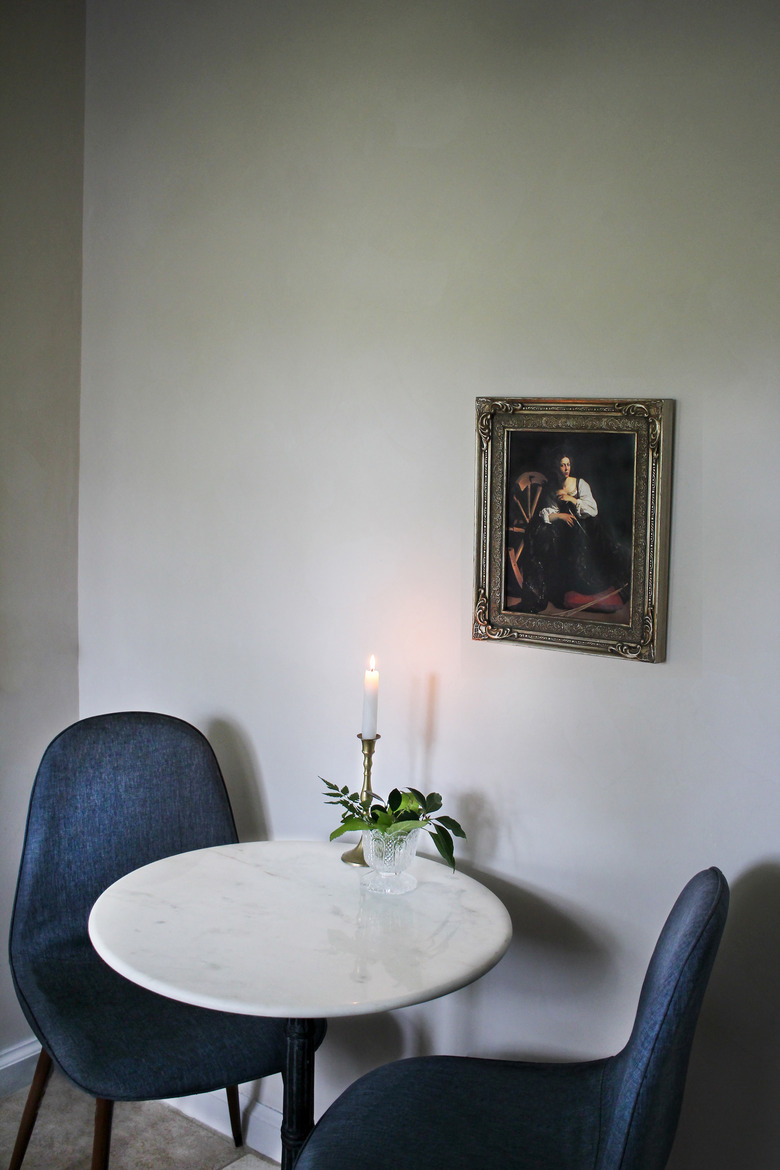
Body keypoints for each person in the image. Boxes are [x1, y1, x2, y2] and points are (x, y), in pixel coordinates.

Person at [512, 451, 629, 614]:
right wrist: (560, 515)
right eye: (562, 464)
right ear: (557, 467)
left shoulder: (580, 484)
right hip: (564, 531)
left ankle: (590, 590)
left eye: (568, 464)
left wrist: (571, 499)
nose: (566, 468)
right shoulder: (553, 487)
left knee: (590, 559)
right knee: (543, 532)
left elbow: (593, 510)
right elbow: (547, 512)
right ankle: (547, 590)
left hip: (585, 529)